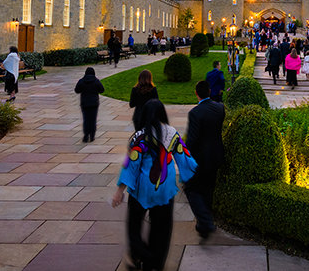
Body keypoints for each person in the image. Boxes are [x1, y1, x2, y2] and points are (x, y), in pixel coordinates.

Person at [112, 99, 198, 271]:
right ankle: (155, 263)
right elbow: (184, 157)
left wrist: (120, 191)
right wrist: (191, 176)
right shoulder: (172, 133)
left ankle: (141, 254)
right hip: (165, 189)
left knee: (134, 227)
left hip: (141, 190)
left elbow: (131, 165)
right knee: (162, 228)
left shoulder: (139, 136)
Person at [183, 80, 225, 239]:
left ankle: (205, 221)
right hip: (217, 155)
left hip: (201, 158)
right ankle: (205, 223)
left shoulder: (195, 113)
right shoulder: (220, 108)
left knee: (190, 188)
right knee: (208, 188)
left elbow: (192, 140)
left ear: (196, 93)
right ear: (209, 92)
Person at [75, 67, 104, 143]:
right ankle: (92, 135)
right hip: (94, 103)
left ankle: (86, 135)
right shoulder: (96, 81)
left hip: (84, 103)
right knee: (93, 119)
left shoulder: (82, 81)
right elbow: (102, 90)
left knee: (86, 119)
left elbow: (77, 90)